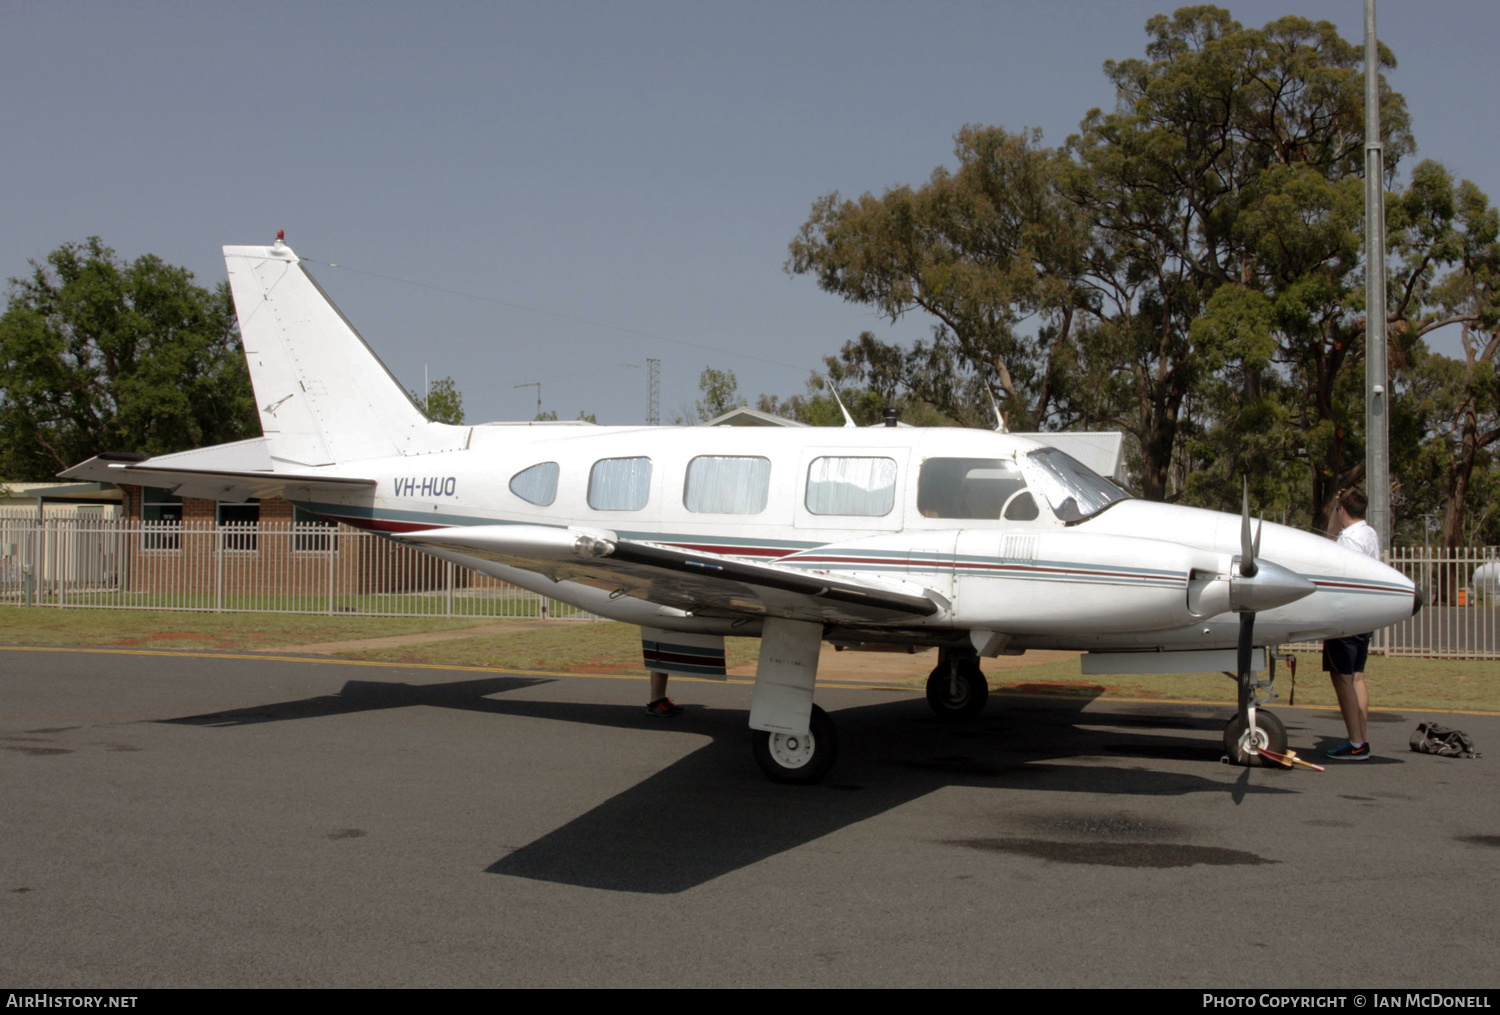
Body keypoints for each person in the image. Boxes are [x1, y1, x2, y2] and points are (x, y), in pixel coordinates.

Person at [1323, 487, 1381, 759]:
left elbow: (1330, 544)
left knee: (1342, 679)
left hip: (1347, 617)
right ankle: (1360, 737)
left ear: (1342, 510)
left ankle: (1356, 743)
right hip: (1366, 615)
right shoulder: (1369, 533)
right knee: (1357, 676)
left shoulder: (1348, 539)